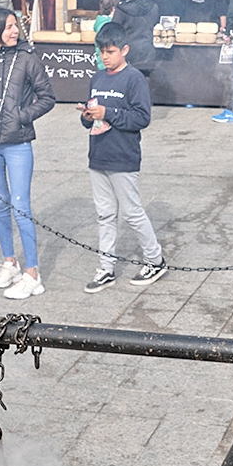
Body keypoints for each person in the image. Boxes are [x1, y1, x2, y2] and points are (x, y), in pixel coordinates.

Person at [0, 7, 56, 300]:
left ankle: (33, 272)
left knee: (21, 207)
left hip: (18, 142)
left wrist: (22, 115)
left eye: (15, 26)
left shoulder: (28, 58)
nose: (14, 31)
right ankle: (10, 262)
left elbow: (47, 97)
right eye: (8, 27)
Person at [82, 27, 167, 292]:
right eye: (101, 52)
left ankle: (155, 259)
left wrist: (109, 112)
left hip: (124, 156)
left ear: (124, 50)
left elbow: (142, 118)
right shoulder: (97, 78)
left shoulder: (134, 79)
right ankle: (106, 268)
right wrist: (87, 116)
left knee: (131, 212)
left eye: (110, 52)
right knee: (105, 214)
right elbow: (92, 115)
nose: (105, 57)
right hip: (99, 155)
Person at [106, 0, 160, 73]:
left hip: (128, 53)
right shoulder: (154, 8)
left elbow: (113, 30)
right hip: (148, 52)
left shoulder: (122, 8)